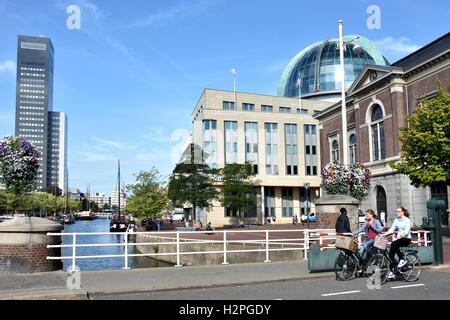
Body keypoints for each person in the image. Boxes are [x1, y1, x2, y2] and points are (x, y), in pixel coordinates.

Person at [382, 207, 412, 279]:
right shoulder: (396, 220)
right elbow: (391, 229)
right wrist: (383, 234)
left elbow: (407, 231)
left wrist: (401, 236)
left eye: (398, 211)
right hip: (398, 239)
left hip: (406, 239)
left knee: (394, 244)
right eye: (396, 211)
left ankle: (402, 259)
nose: (397, 213)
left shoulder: (407, 220)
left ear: (402, 212)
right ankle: (393, 271)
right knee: (390, 254)